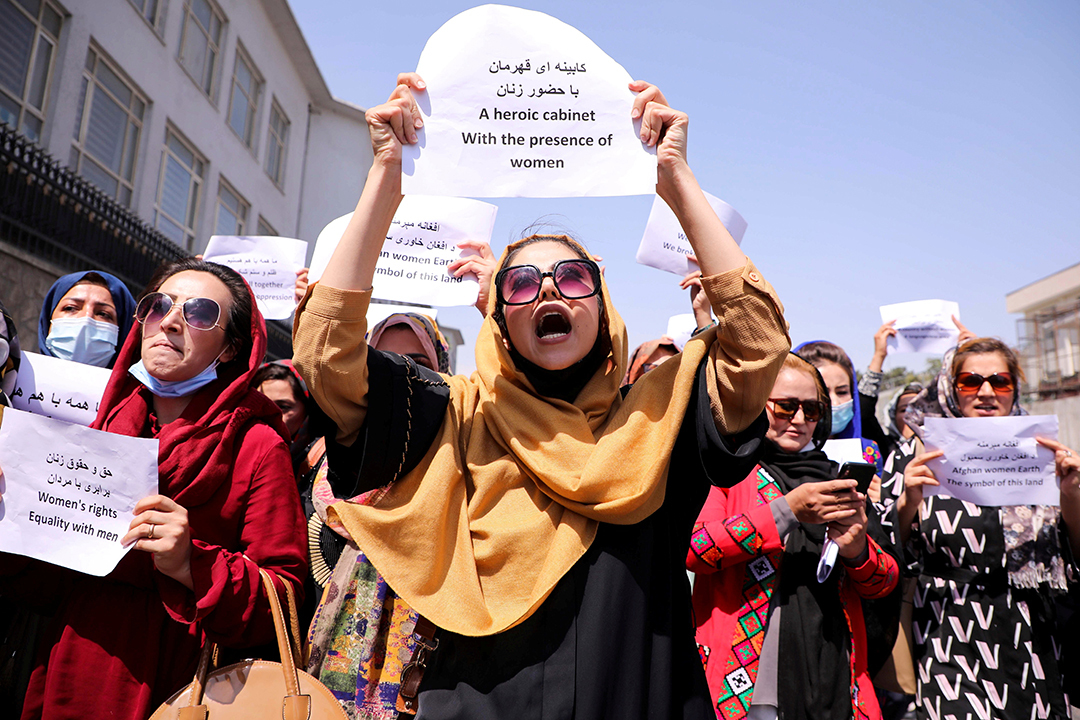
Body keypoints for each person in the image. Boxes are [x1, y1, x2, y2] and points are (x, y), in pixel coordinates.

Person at [293, 73, 789, 719]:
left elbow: (757, 342)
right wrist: (387, 177)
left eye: (572, 276)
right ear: (498, 317)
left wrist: (675, 182)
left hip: (639, 694)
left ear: (601, 303)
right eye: (521, 283)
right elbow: (325, 356)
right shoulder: (454, 412)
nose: (549, 292)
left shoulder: (663, 413)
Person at [0, 259, 307, 719]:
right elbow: (45, 585)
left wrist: (190, 563)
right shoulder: (97, 425)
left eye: (200, 312)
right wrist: (12, 521)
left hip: (184, 688)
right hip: (74, 666)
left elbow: (283, 599)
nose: (172, 319)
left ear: (230, 348)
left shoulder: (258, 444)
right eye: (158, 305)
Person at [688, 353, 899, 720]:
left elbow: (883, 582)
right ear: (757, 404)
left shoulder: (837, 479)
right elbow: (698, 549)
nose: (799, 420)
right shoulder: (726, 471)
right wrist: (787, 512)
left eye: (812, 410)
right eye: (785, 407)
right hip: (748, 686)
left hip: (836, 680)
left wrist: (856, 550)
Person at [880, 337, 1078, 719]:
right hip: (948, 634)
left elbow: (1074, 554)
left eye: (1000, 381)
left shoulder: (1045, 451)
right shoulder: (915, 454)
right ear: (950, 389)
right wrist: (908, 502)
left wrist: (1071, 493)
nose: (986, 392)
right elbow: (886, 551)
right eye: (970, 381)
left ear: (1014, 388)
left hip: (1032, 636)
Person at [796, 340, 884, 471]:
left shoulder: (868, 452)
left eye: (842, 392)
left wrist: (880, 491)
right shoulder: (772, 454)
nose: (834, 403)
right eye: (823, 392)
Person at [37, 270, 137, 368]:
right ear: (48, 320)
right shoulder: (22, 377)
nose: (86, 319)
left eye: (103, 314)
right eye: (70, 308)